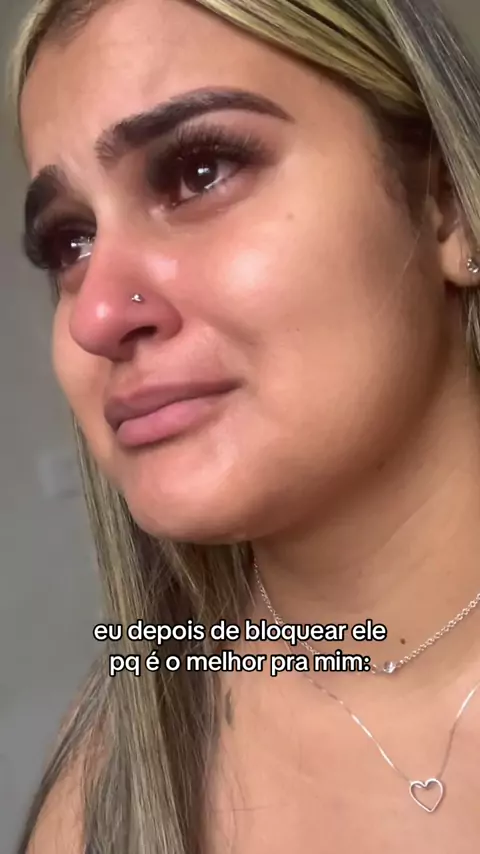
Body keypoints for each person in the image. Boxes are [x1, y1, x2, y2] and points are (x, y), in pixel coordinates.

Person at [8, 0, 480, 850]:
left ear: (447, 204)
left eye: (199, 173)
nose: (97, 315)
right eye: (69, 243)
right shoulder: (104, 801)